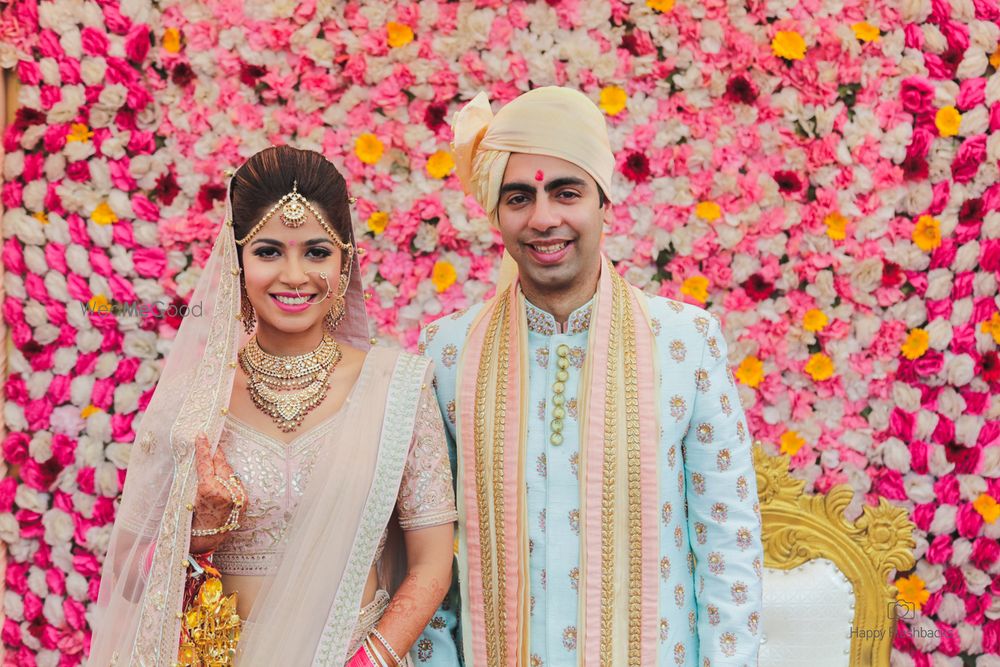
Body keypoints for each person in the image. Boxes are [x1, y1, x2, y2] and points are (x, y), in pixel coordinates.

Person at [415, 87, 763, 666]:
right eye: (519, 197)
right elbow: (423, 554)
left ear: (604, 203)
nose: (543, 218)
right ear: (497, 215)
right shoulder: (448, 353)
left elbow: (728, 541)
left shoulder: (683, 341)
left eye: (566, 192)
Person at [88, 146, 457, 666]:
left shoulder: (398, 388)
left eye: (316, 251)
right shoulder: (193, 402)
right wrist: (198, 539)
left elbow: (432, 565)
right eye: (267, 252)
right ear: (237, 261)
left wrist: (368, 661)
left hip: (358, 655)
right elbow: (129, 570)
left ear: (345, 260)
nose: (293, 275)